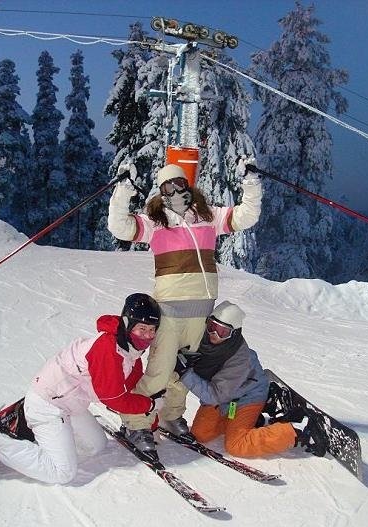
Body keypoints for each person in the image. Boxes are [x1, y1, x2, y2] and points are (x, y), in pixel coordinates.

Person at [107, 158, 262, 453]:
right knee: (159, 371)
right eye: (167, 187)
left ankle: (170, 415)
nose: (175, 190)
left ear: (187, 184)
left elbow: (246, 216)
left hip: (201, 313)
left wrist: (251, 183)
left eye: (179, 183)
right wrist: (123, 189)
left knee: (184, 372)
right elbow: (119, 227)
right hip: (169, 312)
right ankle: (136, 423)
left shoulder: (208, 217)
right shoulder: (155, 223)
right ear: (161, 192)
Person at [0, 293, 165, 484]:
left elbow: (131, 389)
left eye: (152, 330)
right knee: (62, 473)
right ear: (128, 324)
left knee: (97, 446)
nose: (147, 335)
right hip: (48, 403)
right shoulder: (107, 347)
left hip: (72, 404)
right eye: (142, 328)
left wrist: (151, 419)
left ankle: (48, 438)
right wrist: (150, 405)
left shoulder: (131, 351)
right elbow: (114, 399)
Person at [173, 301, 328, 458]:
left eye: (222, 331)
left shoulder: (240, 359)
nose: (214, 334)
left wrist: (185, 373)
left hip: (246, 396)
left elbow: (215, 396)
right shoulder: (201, 339)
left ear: (233, 333)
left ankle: (296, 429)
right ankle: (251, 421)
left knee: (236, 445)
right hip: (227, 397)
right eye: (212, 326)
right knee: (201, 434)